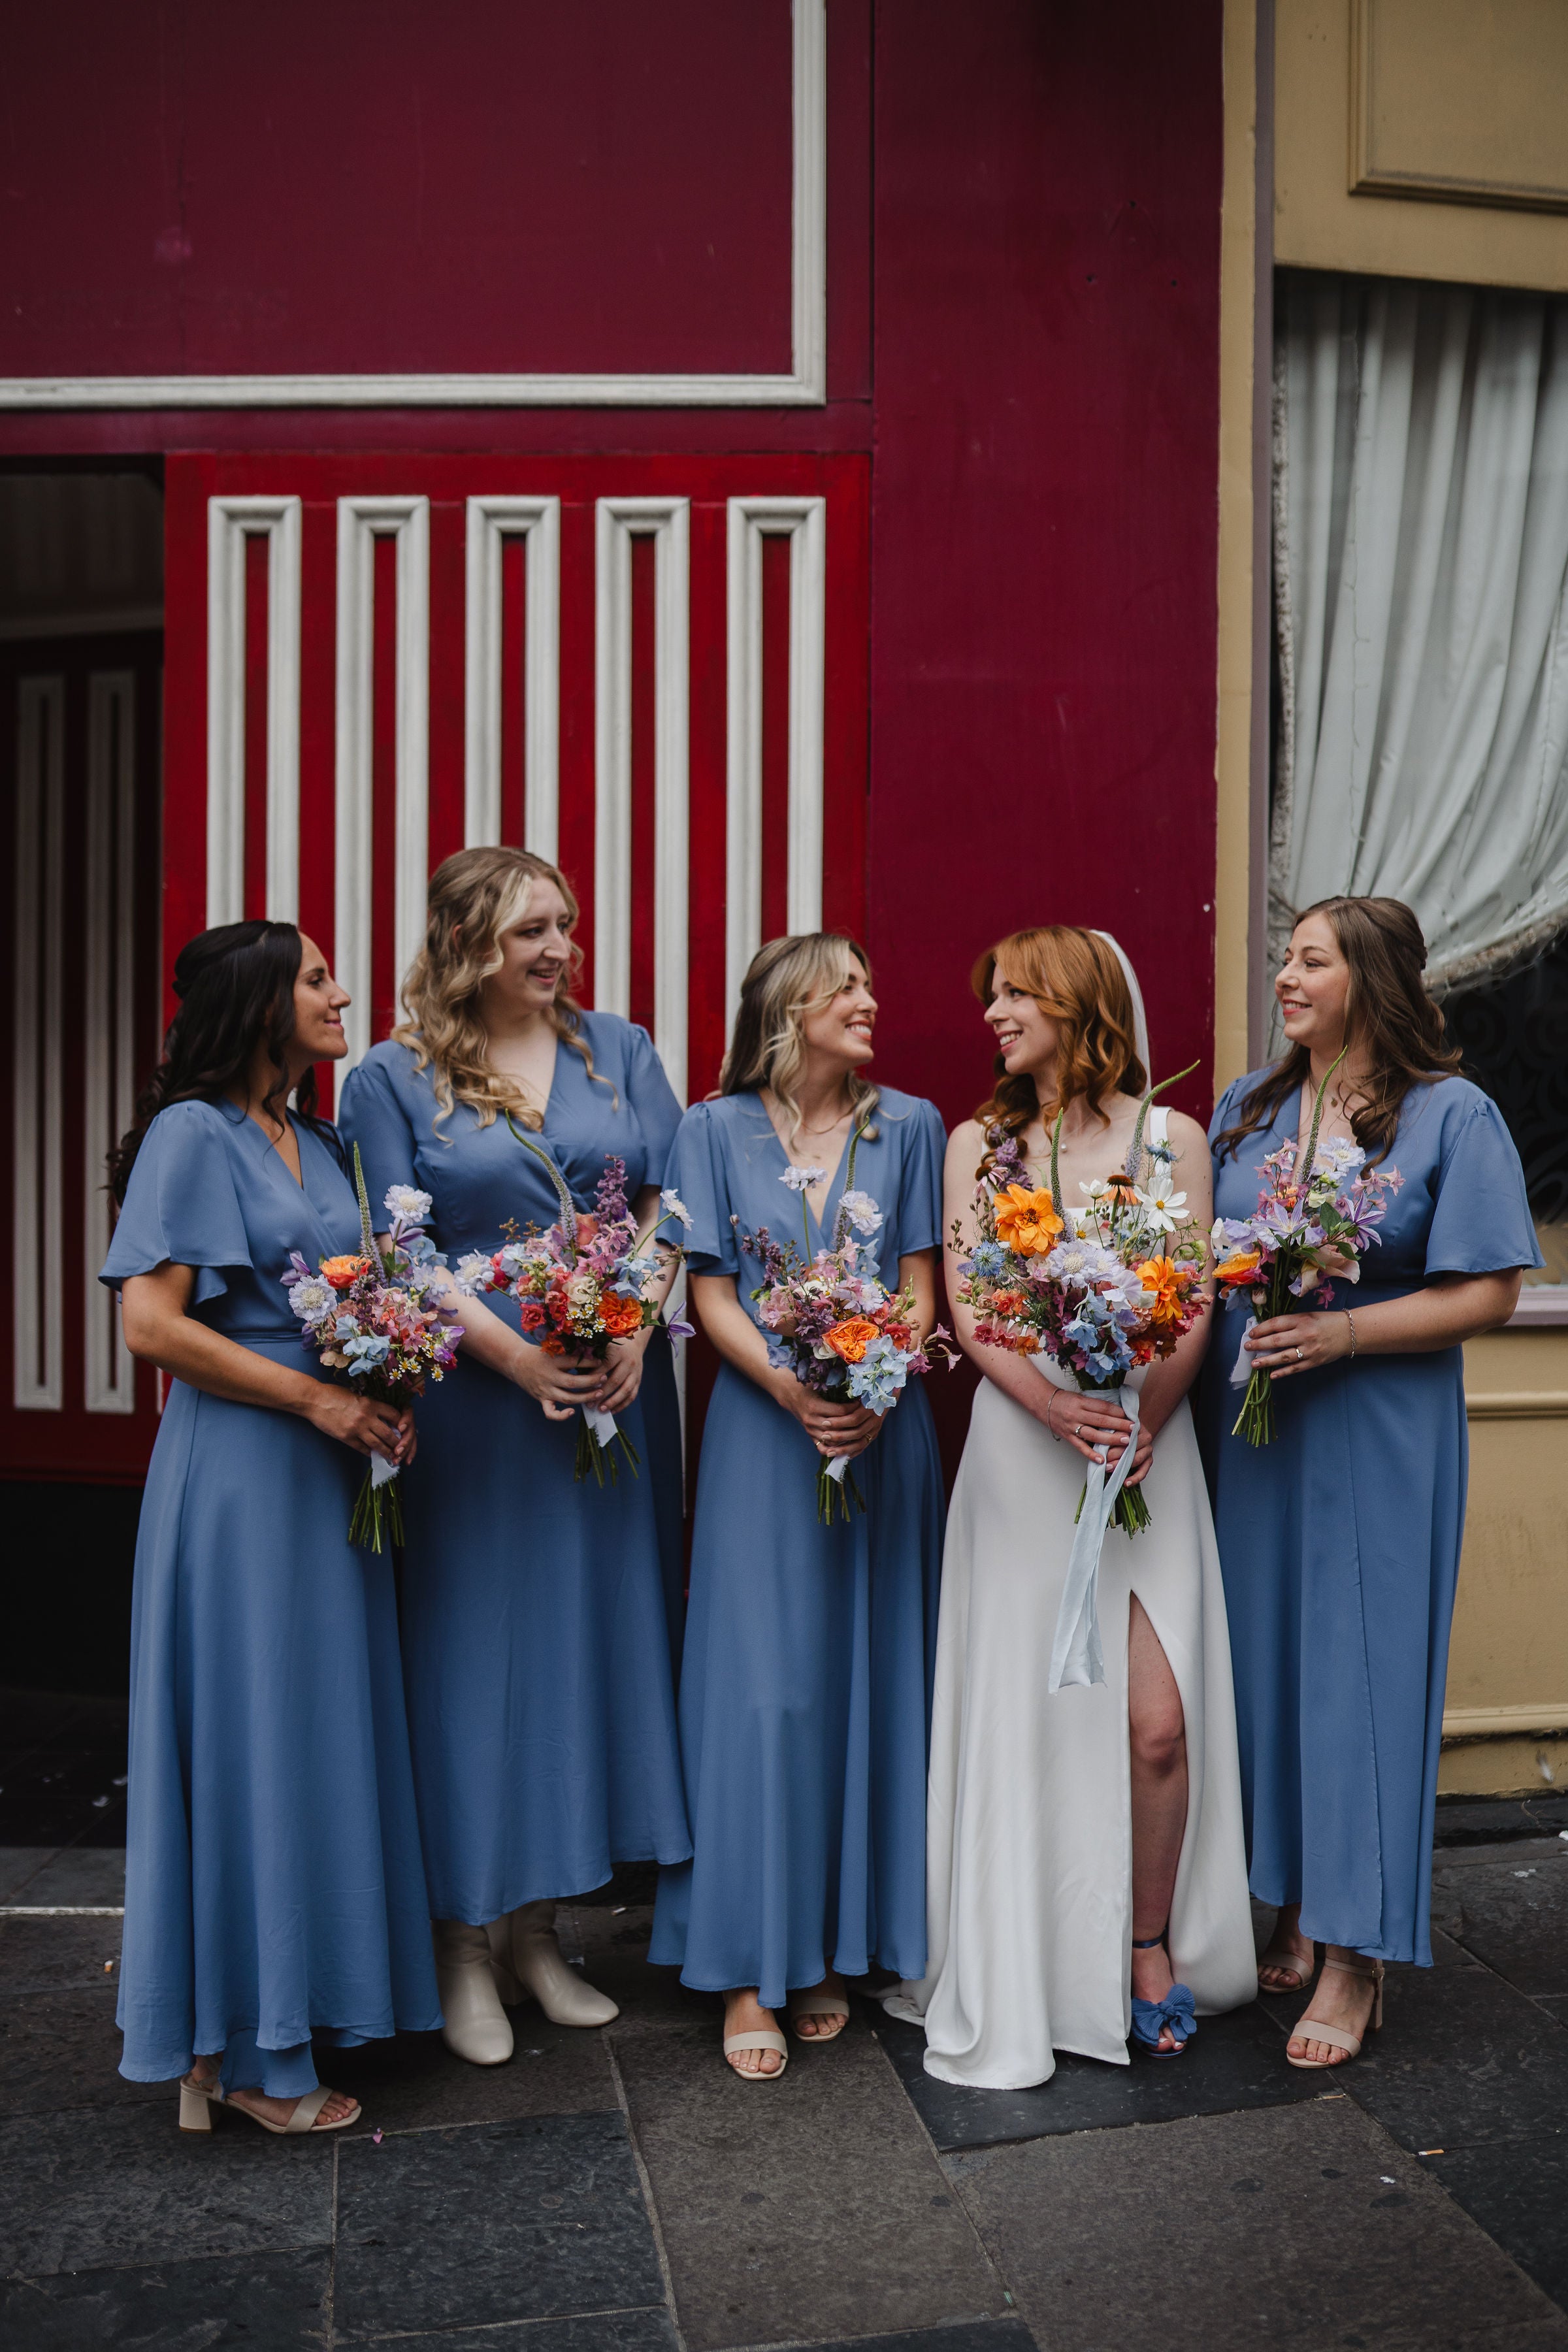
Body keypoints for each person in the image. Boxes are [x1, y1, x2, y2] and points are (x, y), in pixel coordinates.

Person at [338, 846, 689, 2065]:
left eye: (567, 926)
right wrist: (518, 1361)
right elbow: (402, 1252)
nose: (558, 950)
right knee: (471, 1657)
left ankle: (543, 1930)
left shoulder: (622, 1050)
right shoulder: (390, 1078)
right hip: (485, 1408)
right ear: (465, 939)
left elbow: (665, 1205)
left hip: (615, 1392)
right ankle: (461, 1945)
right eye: (532, 929)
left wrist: (636, 1319)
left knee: (581, 1655)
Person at [892, 926, 1256, 2089]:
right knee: (1032, 1709)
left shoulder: (1171, 1140)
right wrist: (1056, 1409)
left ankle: (1146, 1944)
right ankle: (1028, 1960)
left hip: (1148, 1448)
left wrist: (1143, 1412)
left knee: (1157, 1723)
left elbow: (1190, 1299)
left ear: (1079, 999)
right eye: (989, 992)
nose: (994, 1012)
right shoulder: (982, 1146)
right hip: (1026, 1450)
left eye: (1015, 992)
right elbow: (974, 1304)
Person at [103, 921, 441, 2136]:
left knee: (314, 1736)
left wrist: (390, 1391)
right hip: (244, 1477)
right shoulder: (193, 1136)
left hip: (334, 1479)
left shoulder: (325, 1139)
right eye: (313, 977)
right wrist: (323, 1398)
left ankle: (283, 2019)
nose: (340, 991)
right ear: (256, 1004)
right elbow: (150, 1326)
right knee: (253, 1741)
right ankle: (245, 2054)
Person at [1200, 896, 1539, 2069]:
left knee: (1362, 1679)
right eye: (1282, 958)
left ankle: (1358, 1959)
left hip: (1379, 1426)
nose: (1284, 978)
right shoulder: (1246, 1108)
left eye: (1310, 961)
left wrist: (1345, 1335)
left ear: (1373, 977)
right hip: (1254, 1431)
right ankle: (1295, 1898)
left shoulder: (1451, 1114)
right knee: (1272, 1673)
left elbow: (1490, 1291)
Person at [649, 934, 947, 2079]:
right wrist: (787, 1384)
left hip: (882, 1433)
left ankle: (825, 1952)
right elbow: (710, 1289)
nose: (873, 1002)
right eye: (849, 987)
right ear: (790, 1005)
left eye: (873, 983)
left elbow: (923, 1285)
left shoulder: (908, 1125)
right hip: (762, 1442)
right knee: (761, 1695)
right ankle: (742, 1966)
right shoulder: (711, 1129)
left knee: (859, 1687)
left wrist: (875, 1384)